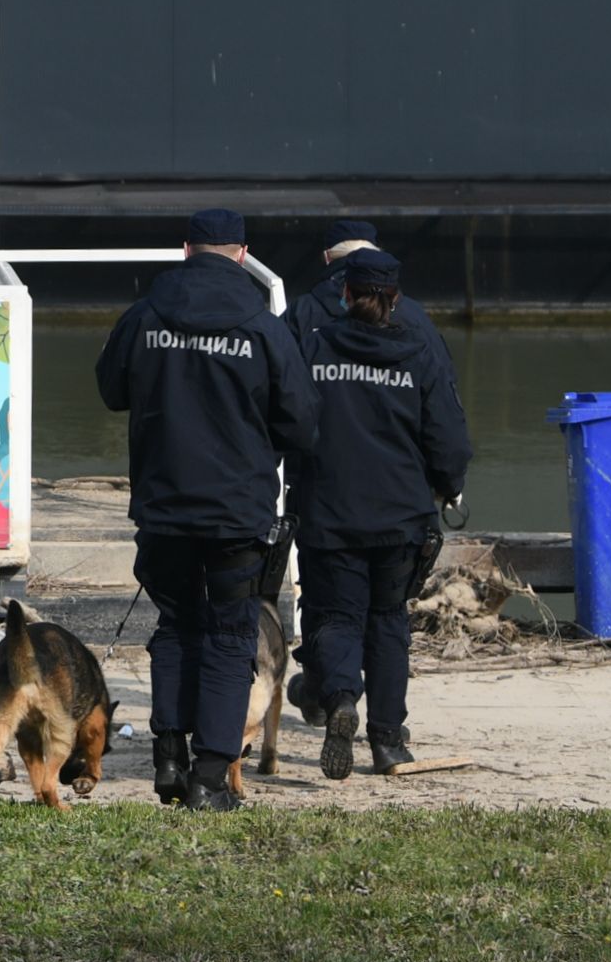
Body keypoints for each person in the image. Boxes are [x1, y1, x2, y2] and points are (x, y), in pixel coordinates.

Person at [94, 210, 315, 813]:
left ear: (187, 249)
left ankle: (168, 753)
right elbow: (301, 422)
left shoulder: (146, 316)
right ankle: (212, 778)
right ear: (242, 254)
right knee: (229, 636)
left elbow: (111, 390)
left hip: (163, 507)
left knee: (175, 625)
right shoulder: (263, 328)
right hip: (236, 512)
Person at [281, 247, 469, 781]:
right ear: (395, 300)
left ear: (344, 293)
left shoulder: (313, 350)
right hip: (402, 516)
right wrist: (447, 487)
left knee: (337, 616)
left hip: (328, 511)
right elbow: (450, 440)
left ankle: (342, 699)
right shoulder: (419, 353)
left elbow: (288, 420)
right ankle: (388, 742)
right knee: (388, 623)